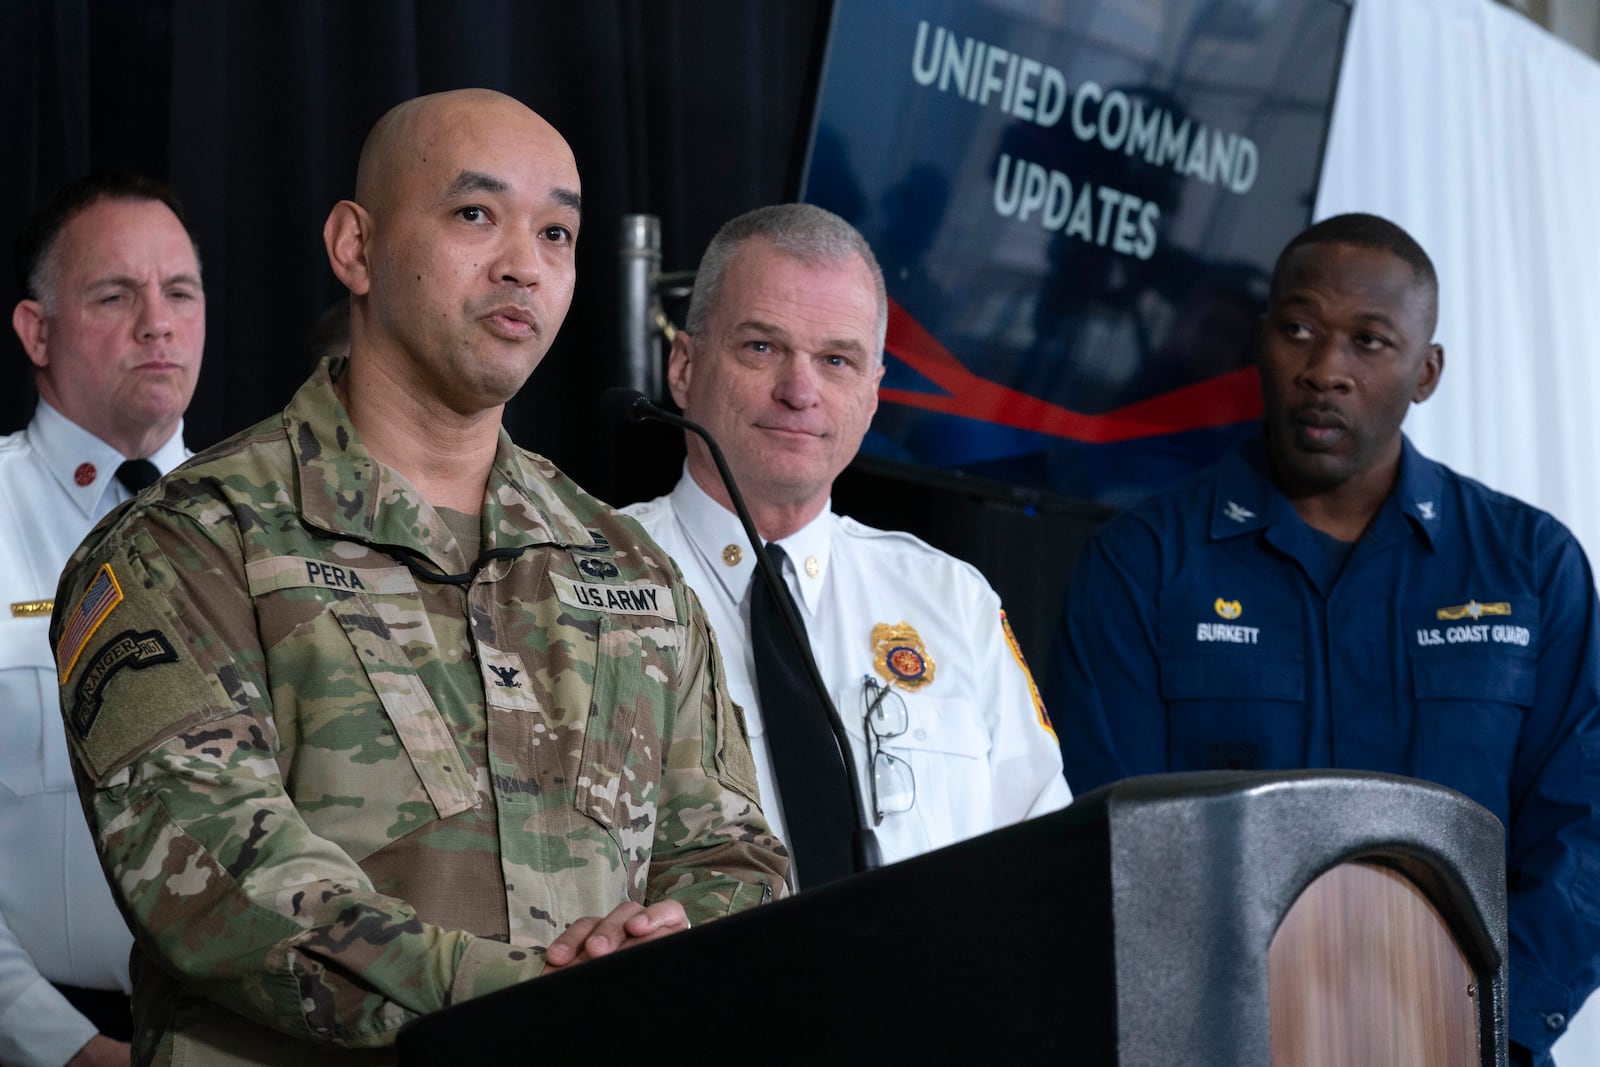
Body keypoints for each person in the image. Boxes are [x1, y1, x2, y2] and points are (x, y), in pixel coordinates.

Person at [49, 89, 785, 1067]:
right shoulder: (185, 543)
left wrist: (665, 947)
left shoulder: (631, 570)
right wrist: (538, 999)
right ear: (355, 247)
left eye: (557, 232)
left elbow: (734, 862)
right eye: (475, 214)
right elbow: (221, 877)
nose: (524, 262)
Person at [1044, 212, 1600, 1066]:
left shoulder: (1532, 566)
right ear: (1261, 341)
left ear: (1427, 371)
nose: (1325, 370)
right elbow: (1115, 838)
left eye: (1371, 342)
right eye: (1299, 330)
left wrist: (1494, 1033)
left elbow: (1583, 830)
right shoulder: (1141, 565)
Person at [623, 203, 1070, 890]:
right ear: (683, 366)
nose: (799, 390)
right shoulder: (581, 578)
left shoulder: (953, 600)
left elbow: (1047, 863)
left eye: (836, 359)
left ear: (872, 394)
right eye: (762, 347)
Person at [3, 172, 206, 1067]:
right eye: (115, 294)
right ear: (36, 331)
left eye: (180, 292)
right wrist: (63, 1045)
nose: (156, 321)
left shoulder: (268, 523)